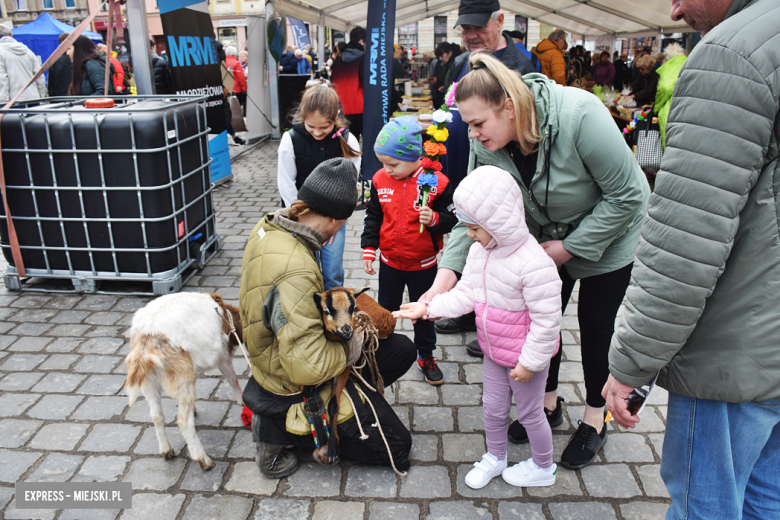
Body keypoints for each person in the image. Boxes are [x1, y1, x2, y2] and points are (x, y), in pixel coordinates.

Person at [423, 52, 649, 469]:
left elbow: (629, 195)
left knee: (596, 327)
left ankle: (595, 419)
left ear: (509, 106)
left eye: (477, 124)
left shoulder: (580, 115)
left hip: (609, 236)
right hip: (541, 243)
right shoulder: (488, 144)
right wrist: (446, 277)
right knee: (540, 321)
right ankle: (546, 405)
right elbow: (472, 213)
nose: (471, 135)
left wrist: (570, 247)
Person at [604, 0, 780, 517]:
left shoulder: (734, 52)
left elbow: (685, 238)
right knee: (766, 500)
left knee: (708, 505)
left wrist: (632, 361)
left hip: (736, 353)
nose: (674, 9)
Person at [240, 157, 417, 478]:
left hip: (278, 355)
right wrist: (358, 338)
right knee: (398, 447)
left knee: (402, 349)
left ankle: (357, 403)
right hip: (289, 380)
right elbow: (307, 367)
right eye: (342, 224)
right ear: (336, 220)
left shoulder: (271, 225)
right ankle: (279, 428)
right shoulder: (297, 267)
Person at [396, 166, 562, 488]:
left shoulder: (534, 264)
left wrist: (530, 362)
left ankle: (543, 466)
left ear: (499, 224)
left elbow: (548, 322)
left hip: (524, 359)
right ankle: (496, 457)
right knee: (492, 408)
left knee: (529, 414)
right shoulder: (479, 251)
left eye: (474, 228)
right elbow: (465, 295)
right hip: (493, 351)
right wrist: (427, 308)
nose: (469, 234)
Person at [433, 0, 535, 336]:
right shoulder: (462, 62)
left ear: (500, 20)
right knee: (470, 231)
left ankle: (494, 319)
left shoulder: (520, 64)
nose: (470, 35)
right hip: (464, 162)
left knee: (494, 240)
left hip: (499, 171)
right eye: (465, 28)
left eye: (478, 27)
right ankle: (466, 307)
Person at [361, 117, 457, 385]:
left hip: (424, 265)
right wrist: (369, 247)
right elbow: (373, 217)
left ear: (415, 156)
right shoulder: (381, 180)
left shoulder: (436, 181)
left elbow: (453, 218)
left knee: (424, 313)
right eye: (382, 163)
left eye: (393, 164)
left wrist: (436, 220)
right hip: (389, 263)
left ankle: (426, 355)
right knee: (384, 311)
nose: (386, 169)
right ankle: (380, 352)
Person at [277, 85, 361, 289]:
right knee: (304, 271)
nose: (317, 132)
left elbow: (350, 185)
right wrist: (303, 219)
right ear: (302, 118)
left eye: (324, 128)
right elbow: (286, 183)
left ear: (336, 118)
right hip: (299, 217)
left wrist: (330, 225)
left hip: (334, 218)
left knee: (332, 273)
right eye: (310, 126)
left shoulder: (348, 140)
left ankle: (333, 312)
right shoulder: (290, 139)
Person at [330, 26, 366, 142]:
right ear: (361, 41)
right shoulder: (363, 59)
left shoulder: (338, 61)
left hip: (343, 109)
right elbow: (366, 85)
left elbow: (333, 83)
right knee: (369, 144)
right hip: (362, 108)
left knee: (349, 145)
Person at [0, 25, 46, 105]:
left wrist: (3, 105)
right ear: (11, 34)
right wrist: (40, 98)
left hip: (13, 102)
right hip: (33, 99)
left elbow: (2, 80)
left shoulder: (1, 52)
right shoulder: (28, 51)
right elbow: (39, 76)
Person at [652, 43, 687, 148]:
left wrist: (656, 107)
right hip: (686, 110)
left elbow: (665, 87)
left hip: (670, 110)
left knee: (668, 146)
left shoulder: (670, 66)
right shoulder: (688, 63)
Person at [47, 32, 72, 97]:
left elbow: (51, 84)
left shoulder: (54, 59)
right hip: (75, 96)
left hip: (59, 97)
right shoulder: (76, 58)